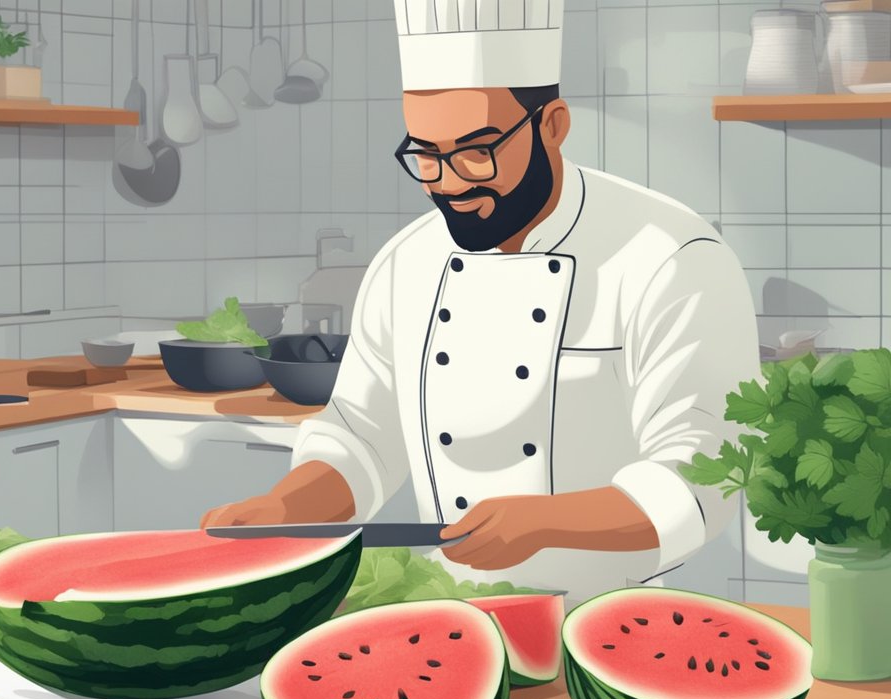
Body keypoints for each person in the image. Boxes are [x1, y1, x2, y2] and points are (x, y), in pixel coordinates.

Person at [200, 0, 760, 607]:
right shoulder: (406, 263)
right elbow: (362, 436)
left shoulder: (668, 255)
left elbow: (703, 476)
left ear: (552, 125)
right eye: (426, 156)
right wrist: (284, 508)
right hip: (447, 603)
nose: (449, 183)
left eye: (475, 151)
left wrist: (543, 522)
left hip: (627, 612)